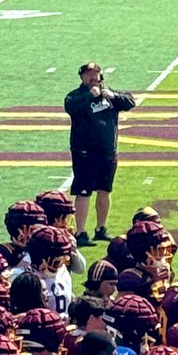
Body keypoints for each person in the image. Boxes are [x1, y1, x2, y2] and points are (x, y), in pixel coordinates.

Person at [63, 63, 135, 247]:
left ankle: (101, 228)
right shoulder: (76, 96)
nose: (93, 77)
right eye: (89, 74)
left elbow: (130, 102)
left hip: (108, 152)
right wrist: (90, 96)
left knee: (105, 190)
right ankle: (80, 232)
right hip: (85, 152)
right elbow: (71, 107)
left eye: (96, 74)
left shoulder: (109, 94)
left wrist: (113, 96)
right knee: (83, 191)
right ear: (82, 77)